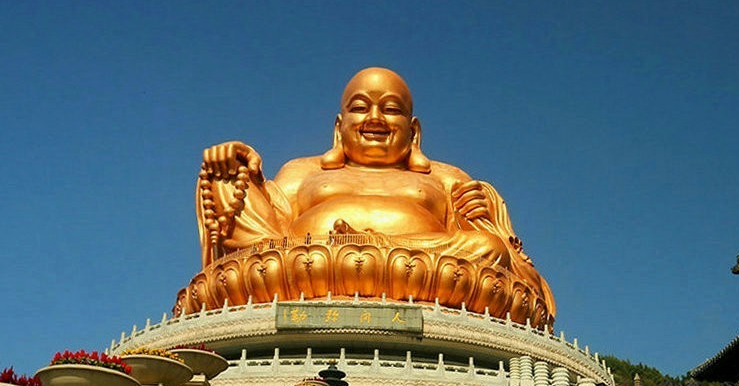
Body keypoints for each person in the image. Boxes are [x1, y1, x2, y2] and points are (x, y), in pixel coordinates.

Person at [189, 67, 555, 325]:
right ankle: (352, 249)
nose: (376, 118)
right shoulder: (302, 172)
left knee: (485, 247)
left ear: (413, 130)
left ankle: (365, 246)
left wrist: (484, 210)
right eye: (361, 107)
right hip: (313, 266)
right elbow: (258, 236)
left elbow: (505, 257)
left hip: (422, 273)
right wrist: (238, 171)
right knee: (271, 258)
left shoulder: (446, 178)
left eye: (391, 109)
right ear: (339, 125)